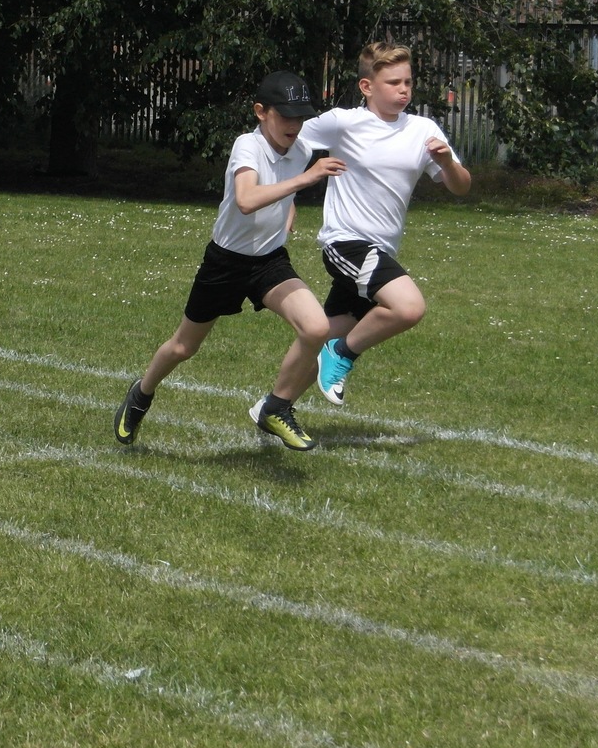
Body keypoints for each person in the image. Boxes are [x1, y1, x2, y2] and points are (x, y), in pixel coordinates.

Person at [115, 71, 346, 451]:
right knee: (183, 348)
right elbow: (247, 199)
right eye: (284, 115)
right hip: (225, 263)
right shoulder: (247, 146)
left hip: (269, 262)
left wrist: (289, 213)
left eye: (300, 116)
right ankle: (141, 393)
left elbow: (278, 195)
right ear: (260, 112)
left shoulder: (302, 150)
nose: (294, 124)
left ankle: (276, 407)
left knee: (317, 328)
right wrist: (306, 181)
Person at [300, 43, 472, 406]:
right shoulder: (343, 122)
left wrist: (447, 162)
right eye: (393, 82)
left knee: (322, 336)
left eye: (408, 82)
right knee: (408, 307)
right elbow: (286, 139)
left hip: (381, 250)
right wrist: (287, 190)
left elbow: (461, 187)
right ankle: (343, 354)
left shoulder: (423, 129)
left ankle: (273, 405)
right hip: (345, 243)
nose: (404, 90)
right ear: (367, 87)